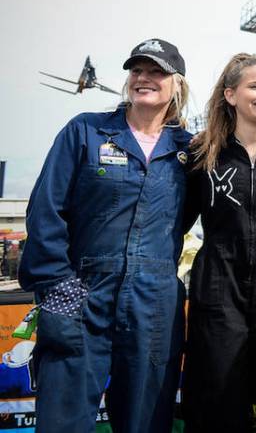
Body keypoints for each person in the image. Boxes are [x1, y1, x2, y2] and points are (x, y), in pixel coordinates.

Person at [20, 38, 191, 433]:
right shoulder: (85, 132)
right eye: (137, 70)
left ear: (176, 84)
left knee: (146, 423)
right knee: (62, 422)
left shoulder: (189, 151)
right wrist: (59, 289)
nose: (144, 78)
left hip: (154, 303)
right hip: (81, 293)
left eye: (156, 72)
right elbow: (45, 213)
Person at [181, 53, 256, 432]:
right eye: (255, 86)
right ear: (231, 95)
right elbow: (175, 222)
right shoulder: (203, 153)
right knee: (217, 388)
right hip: (218, 284)